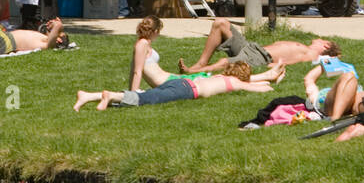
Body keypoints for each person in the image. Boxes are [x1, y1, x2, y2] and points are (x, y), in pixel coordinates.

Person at [126, 16, 286, 90]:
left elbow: (135, 70)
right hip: (170, 82)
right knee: (218, 79)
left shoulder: (141, 44)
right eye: (158, 32)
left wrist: (131, 91)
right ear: (153, 31)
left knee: (217, 79)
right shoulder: (142, 45)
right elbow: (136, 71)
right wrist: (133, 93)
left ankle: (265, 78)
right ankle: (265, 78)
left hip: (172, 79)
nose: (159, 35)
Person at [73, 60, 274, 112]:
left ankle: (90, 96)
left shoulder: (223, 76)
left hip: (182, 83)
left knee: (148, 93)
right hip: (186, 91)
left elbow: (254, 82)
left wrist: (265, 78)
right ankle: (111, 97)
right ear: (242, 77)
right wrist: (268, 86)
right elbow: (257, 87)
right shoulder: (237, 83)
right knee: (146, 99)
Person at [179, 19, 338, 73]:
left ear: (325, 46)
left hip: (260, 56)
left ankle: (193, 72)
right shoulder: (305, 48)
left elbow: (294, 63)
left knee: (225, 62)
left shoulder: (311, 54)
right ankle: (202, 63)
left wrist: (276, 65)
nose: (318, 38)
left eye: (322, 40)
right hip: (252, 47)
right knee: (220, 23)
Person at [304, 51, 363, 120]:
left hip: (354, 103)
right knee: (349, 76)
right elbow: (309, 79)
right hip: (330, 108)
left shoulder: (349, 86)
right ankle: (335, 118)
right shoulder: (317, 95)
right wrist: (326, 64)